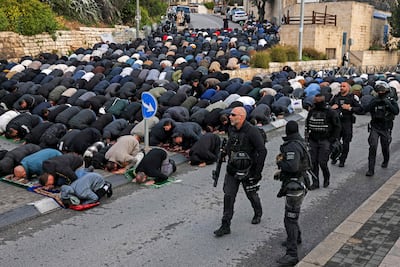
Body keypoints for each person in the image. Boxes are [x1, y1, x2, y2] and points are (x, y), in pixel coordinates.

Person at [214, 107, 267, 237]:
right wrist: (224, 152)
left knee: (251, 194)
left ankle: (258, 212)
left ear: (241, 117)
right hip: (232, 169)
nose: (229, 117)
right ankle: (225, 225)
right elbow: (230, 144)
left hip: (248, 170)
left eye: (233, 115)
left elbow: (262, 151)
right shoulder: (231, 129)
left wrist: (257, 172)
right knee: (228, 196)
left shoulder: (252, 131)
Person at [275, 121, 310, 266]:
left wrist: (280, 163)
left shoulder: (292, 146)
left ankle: (292, 254)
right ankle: (296, 237)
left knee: (290, 219)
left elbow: (292, 166)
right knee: (292, 216)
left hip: (294, 187)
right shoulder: (299, 142)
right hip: (298, 183)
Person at [305, 94, 341, 189]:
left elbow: (337, 127)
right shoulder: (312, 111)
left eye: (316, 102)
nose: (315, 104)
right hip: (313, 140)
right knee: (313, 163)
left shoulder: (330, 112)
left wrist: (332, 140)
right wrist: (307, 139)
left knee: (322, 162)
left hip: (325, 140)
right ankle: (315, 182)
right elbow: (307, 125)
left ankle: (326, 178)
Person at [363, 82, 399, 176]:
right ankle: (371, 169)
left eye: (383, 90)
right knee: (373, 146)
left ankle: (385, 160)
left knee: (385, 146)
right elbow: (365, 109)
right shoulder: (374, 100)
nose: (381, 92)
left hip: (386, 127)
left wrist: (388, 104)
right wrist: (374, 103)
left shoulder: (390, 100)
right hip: (375, 126)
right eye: (380, 90)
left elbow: (396, 111)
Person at [329, 81, 363, 167]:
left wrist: (350, 108)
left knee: (346, 142)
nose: (341, 88)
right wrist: (332, 108)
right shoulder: (336, 97)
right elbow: (328, 107)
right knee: (334, 142)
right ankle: (334, 156)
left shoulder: (351, 98)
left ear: (348, 88)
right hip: (337, 123)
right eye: (340, 86)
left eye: (343, 86)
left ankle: (342, 160)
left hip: (347, 122)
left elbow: (360, 109)